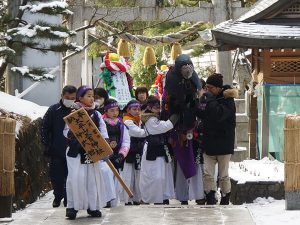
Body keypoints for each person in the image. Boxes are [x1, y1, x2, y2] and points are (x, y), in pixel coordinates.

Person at [64, 85, 109, 219]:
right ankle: (72, 207)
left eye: (92, 96)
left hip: (92, 150)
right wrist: (73, 132)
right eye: (88, 96)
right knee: (75, 178)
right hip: (75, 151)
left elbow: (103, 130)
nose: (91, 98)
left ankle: (93, 206)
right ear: (80, 97)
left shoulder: (96, 114)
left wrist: (104, 145)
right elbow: (66, 131)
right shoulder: (74, 113)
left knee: (92, 179)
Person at [196, 73, 237, 205]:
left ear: (218, 88)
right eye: (206, 87)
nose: (207, 90)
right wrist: (198, 102)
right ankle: (210, 196)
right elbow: (200, 113)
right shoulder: (208, 98)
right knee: (207, 173)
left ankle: (225, 197)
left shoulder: (228, 99)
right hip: (208, 142)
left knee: (223, 175)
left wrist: (210, 100)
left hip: (224, 143)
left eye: (210, 87)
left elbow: (219, 115)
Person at [41, 85, 77, 208]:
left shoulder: (77, 110)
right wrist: (47, 144)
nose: (70, 100)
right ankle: (58, 196)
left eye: (73, 98)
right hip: (56, 149)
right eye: (67, 97)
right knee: (56, 176)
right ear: (62, 96)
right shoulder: (53, 110)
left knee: (70, 176)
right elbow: (44, 128)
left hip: (72, 150)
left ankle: (68, 198)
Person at [139, 96, 179, 204]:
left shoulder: (154, 117)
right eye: (155, 106)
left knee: (163, 174)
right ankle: (155, 197)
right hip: (153, 148)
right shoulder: (150, 119)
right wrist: (176, 116)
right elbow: (164, 127)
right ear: (149, 107)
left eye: (158, 106)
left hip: (159, 147)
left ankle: (162, 196)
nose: (157, 108)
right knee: (155, 175)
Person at [102, 98, 130, 207]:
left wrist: (121, 155)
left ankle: (113, 202)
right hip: (103, 157)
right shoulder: (100, 122)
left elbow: (126, 141)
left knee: (115, 181)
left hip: (117, 156)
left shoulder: (122, 124)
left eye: (116, 110)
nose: (115, 113)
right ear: (106, 111)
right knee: (104, 177)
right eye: (111, 110)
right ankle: (104, 201)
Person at [122, 100, 147, 205]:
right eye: (134, 109)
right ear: (128, 110)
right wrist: (151, 130)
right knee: (128, 174)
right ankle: (127, 198)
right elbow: (139, 132)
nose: (137, 111)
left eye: (138, 109)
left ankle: (137, 198)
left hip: (138, 149)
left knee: (138, 174)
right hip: (130, 150)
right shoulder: (127, 121)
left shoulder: (139, 120)